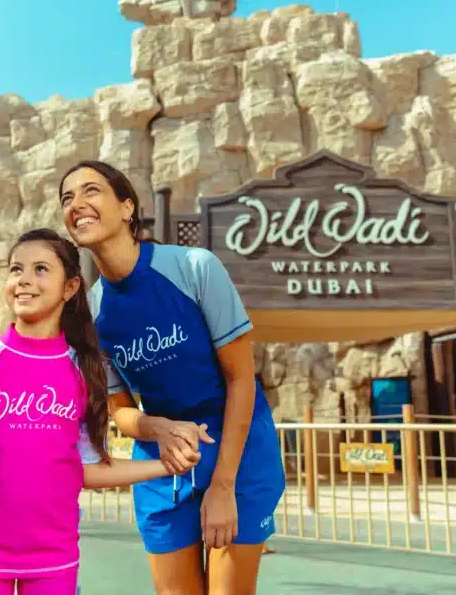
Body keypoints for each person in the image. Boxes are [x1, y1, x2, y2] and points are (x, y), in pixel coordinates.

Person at [0, 229, 195, 595]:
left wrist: (165, 465)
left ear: (70, 287)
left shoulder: (85, 371)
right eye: (16, 269)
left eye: (41, 269)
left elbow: (87, 469)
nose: (24, 279)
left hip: (54, 561)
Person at [58, 161, 286, 595]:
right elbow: (119, 411)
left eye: (91, 191)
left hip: (239, 453)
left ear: (127, 207)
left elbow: (242, 380)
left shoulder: (195, 267)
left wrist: (223, 485)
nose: (77, 204)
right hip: (164, 461)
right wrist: (156, 427)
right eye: (67, 198)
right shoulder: (92, 315)